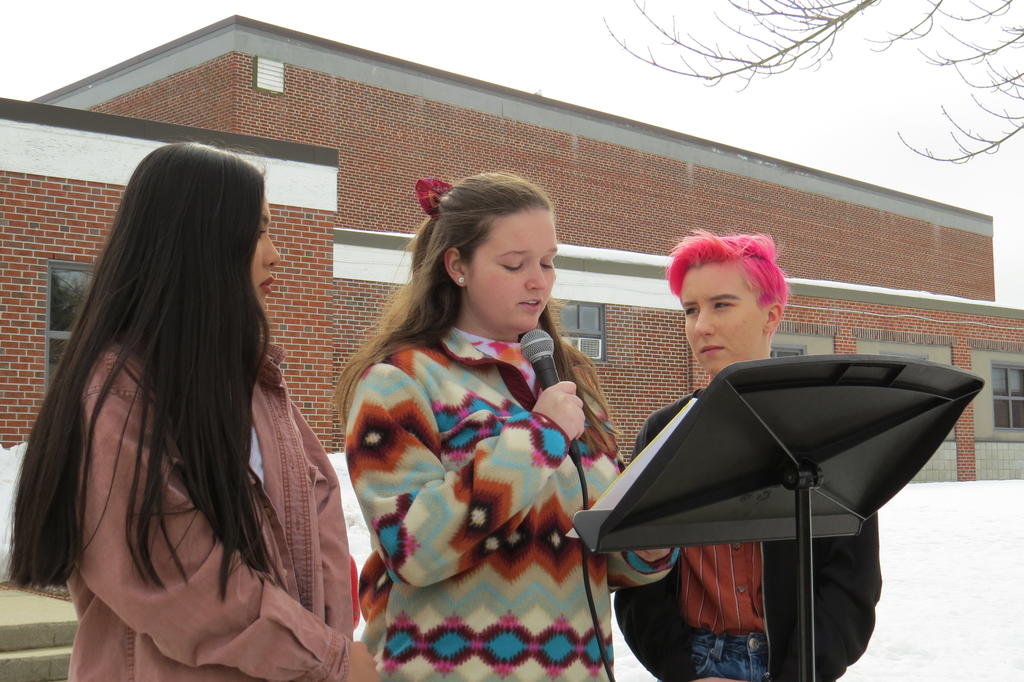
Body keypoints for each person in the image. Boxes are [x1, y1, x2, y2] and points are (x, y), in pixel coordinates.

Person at [10, 142, 377, 681]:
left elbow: (318, 528)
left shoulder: (255, 385)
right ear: (200, 242)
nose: (275, 254)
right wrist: (326, 658)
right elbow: (177, 582)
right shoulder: (120, 397)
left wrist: (331, 648)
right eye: (256, 231)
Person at [335, 173, 677, 680]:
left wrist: (647, 547)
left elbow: (589, 559)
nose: (539, 281)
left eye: (548, 262)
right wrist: (540, 437)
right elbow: (412, 549)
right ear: (457, 266)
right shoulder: (400, 380)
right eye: (515, 264)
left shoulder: (567, 379)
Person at [614, 230, 882, 682]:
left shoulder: (825, 430)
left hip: (794, 663)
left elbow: (852, 578)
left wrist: (800, 673)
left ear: (771, 315)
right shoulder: (663, 432)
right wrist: (682, 673)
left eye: (721, 305)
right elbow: (637, 576)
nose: (701, 326)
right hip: (696, 660)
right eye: (690, 310)